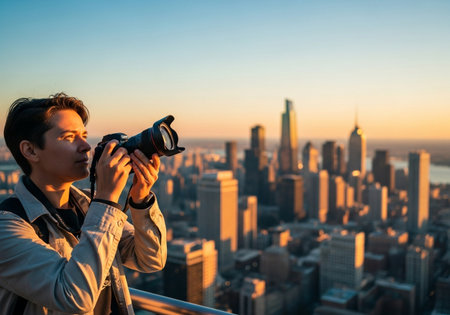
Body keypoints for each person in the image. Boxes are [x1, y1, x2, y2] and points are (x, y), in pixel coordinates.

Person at [0, 93, 167, 314]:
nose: (86, 147)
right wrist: (106, 199)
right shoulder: (9, 227)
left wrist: (141, 199)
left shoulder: (89, 205)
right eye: (69, 137)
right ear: (30, 150)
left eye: (84, 135)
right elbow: (74, 297)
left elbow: (150, 260)